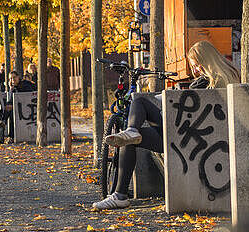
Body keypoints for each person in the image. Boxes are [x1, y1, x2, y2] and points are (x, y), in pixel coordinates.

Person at [93, 40, 239, 210]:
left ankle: (120, 195)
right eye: (194, 67)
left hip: (187, 139)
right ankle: (131, 133)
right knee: (130, 135)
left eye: (197, 65)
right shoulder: (229, 76)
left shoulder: (205, 83)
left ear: (207, 60)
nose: (195, 70)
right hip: (192, 136)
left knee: (139, 105)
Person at [4, 71, 36, 140]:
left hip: (29, 108)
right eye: (10, 79)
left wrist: (13, 90)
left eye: (14, 77)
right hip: (19, 108)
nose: (12, 80)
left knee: (11, 110)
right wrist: (11, 89)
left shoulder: (24, 84)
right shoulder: (15, 87)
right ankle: (9, 132)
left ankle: (4, 121)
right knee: (11, 110)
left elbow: (28, 97)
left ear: (18, 77)